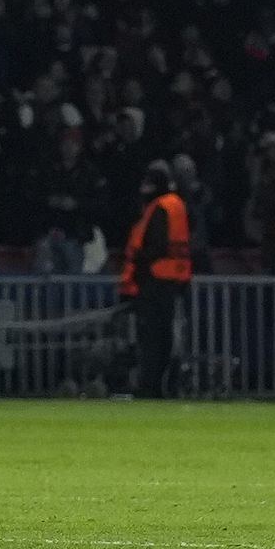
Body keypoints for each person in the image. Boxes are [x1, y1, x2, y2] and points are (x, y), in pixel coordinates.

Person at [118, 161, 191, 399]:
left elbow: (155, 247)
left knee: (151, 338)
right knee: (163, 337)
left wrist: (138, 260)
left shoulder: (159, 208)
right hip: (171, 281)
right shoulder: (176, 205)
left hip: (154, 281)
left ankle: (149, 386)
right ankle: (159, 385)